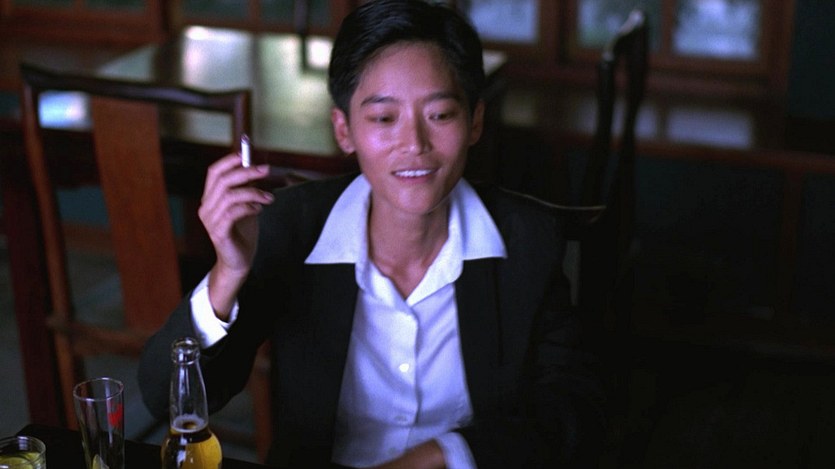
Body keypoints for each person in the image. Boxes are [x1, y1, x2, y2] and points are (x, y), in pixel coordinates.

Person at [138, 0, 605, 467]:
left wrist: (442, 453)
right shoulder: (291, 229)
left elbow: (572, 411)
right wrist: (228, 273)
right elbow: (163, 397)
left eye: (440, 115)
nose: (414, 144)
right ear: (344, 130)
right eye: (384, 118)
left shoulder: (527, 240)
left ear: (475, 122)